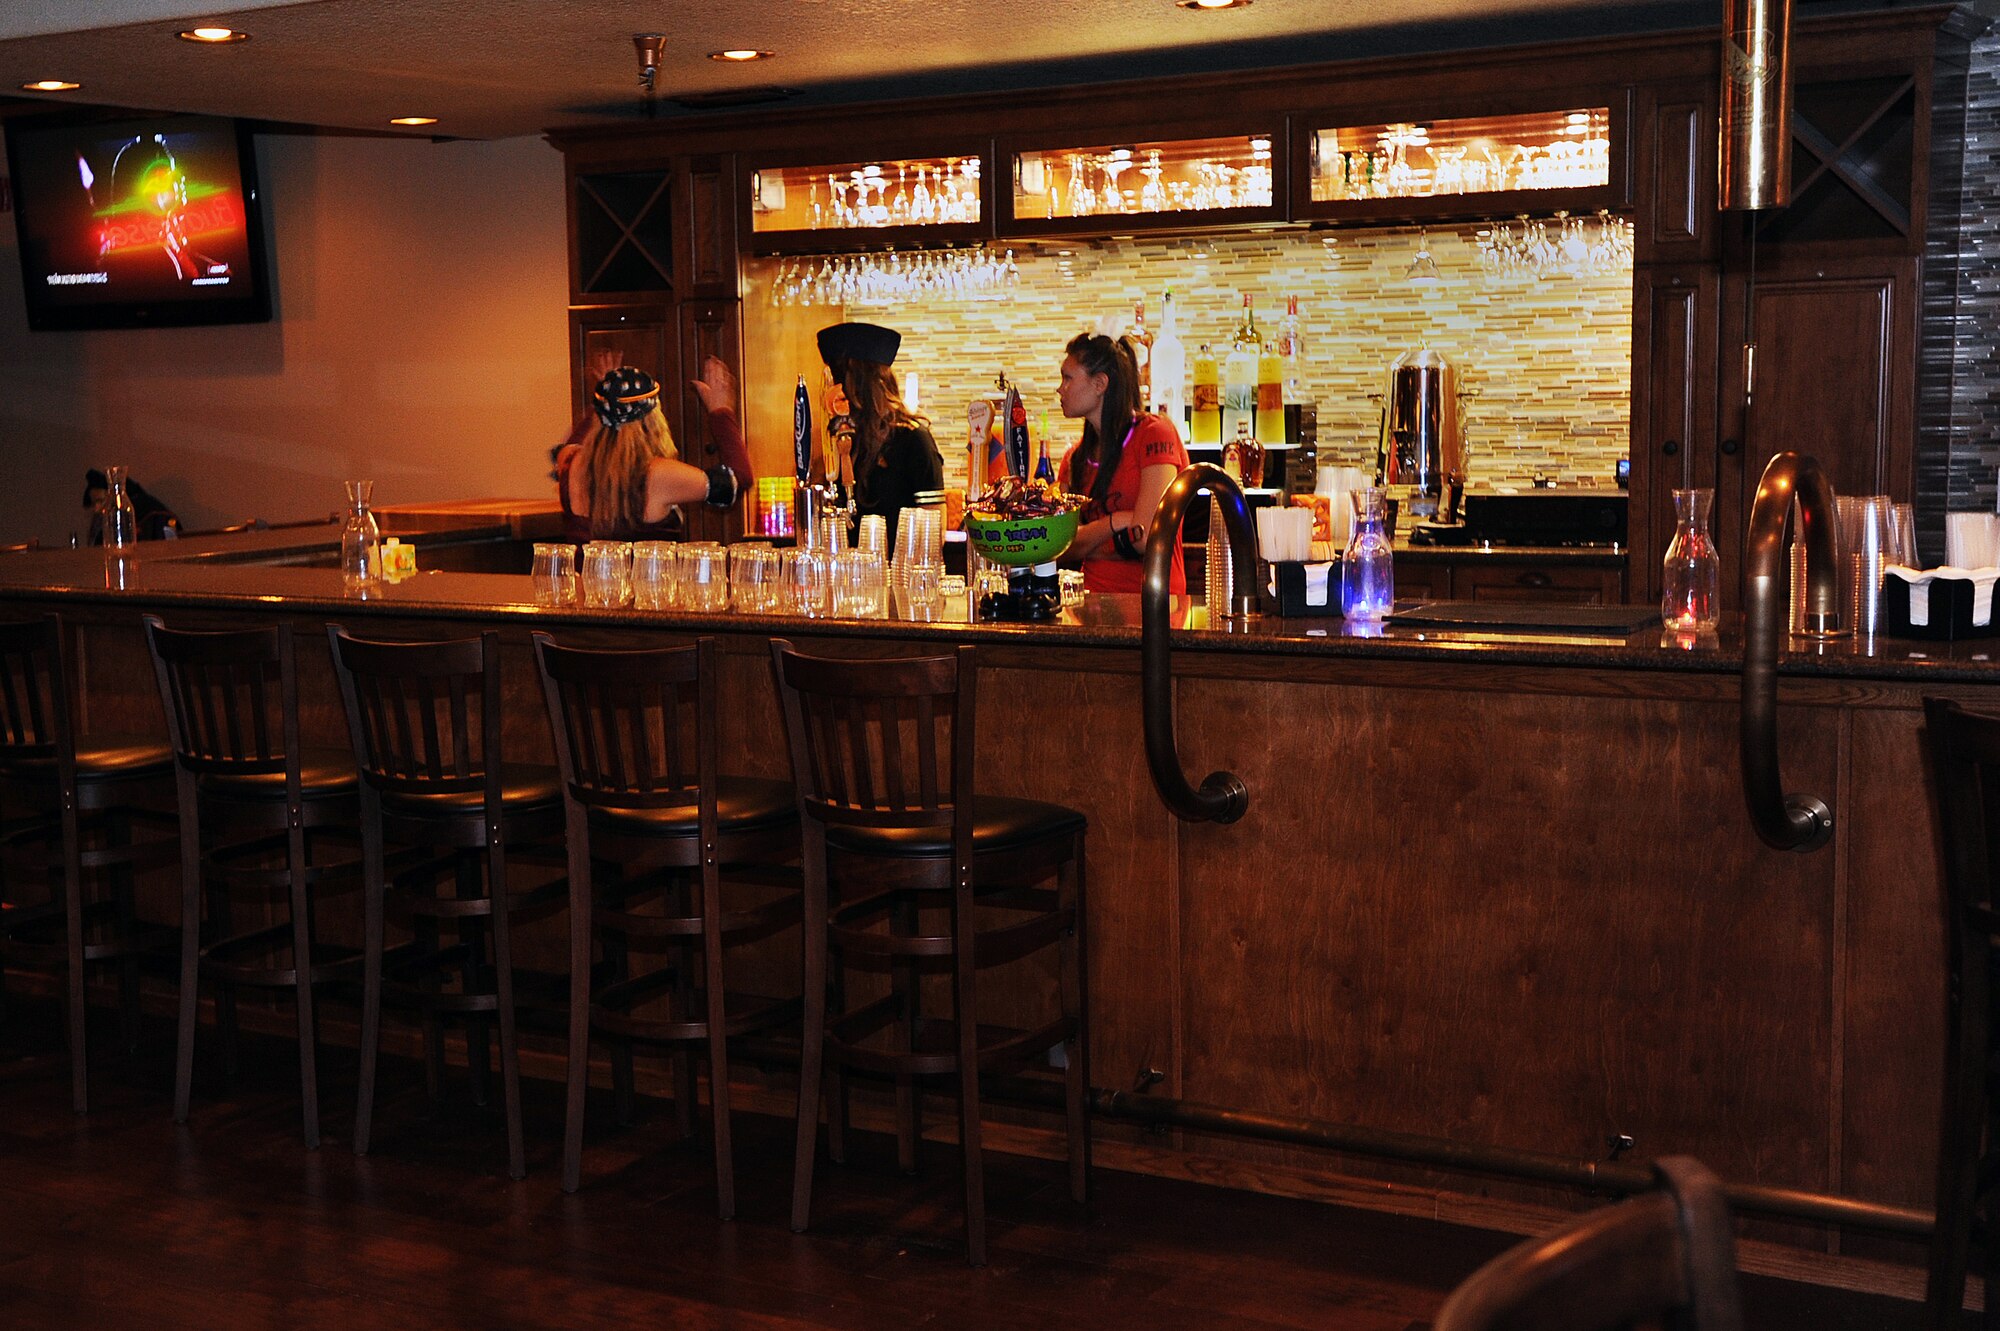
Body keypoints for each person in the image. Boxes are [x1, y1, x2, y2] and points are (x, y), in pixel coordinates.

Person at [554, 358, 751, 543]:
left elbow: (575, 442)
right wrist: (721, 411)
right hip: (646, 580)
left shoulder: (572, 463)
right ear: (653, 418)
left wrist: (610, 395)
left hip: (583, 580)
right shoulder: (658, 475)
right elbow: (738, 479)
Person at [1057, 332, 1188, 595]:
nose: (1060, 389)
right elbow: (1059, 545)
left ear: (1100, 384)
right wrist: (1117, 521)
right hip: (1092, 604)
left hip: (1153, 605)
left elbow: (1147, 539)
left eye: (1067, 378)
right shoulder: (1074, 459)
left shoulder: (1155, 433)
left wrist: (1086, 539)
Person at [817, 321, 942, 540]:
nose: (832, 392)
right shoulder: (842, 441)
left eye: (838, 381)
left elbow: (933, 533)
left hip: (898, 572)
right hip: (849, 571)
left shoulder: (913, 439)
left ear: (860, 386)